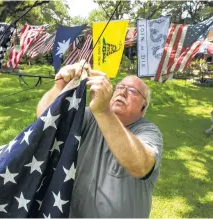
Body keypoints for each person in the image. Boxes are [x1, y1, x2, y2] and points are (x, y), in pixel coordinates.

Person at [36, 60, 163, 218]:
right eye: (120, 87)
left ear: (143, 106)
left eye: (132, 91)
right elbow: (46, 120)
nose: (122, 93)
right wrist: (60, 87)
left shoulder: (147, 131)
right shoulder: (90, 116)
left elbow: (142, 165)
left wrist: (103, 111)